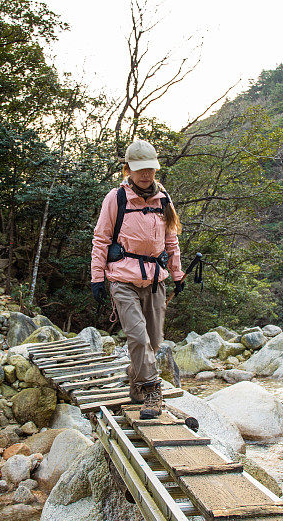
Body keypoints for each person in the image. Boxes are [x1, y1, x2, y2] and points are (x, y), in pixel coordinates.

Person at [90, 139, 184, 419]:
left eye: (150, 169)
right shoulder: (116, 198)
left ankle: (135, 375)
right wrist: (97, 278)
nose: (145, 175)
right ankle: (152, 391)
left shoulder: (163, 200)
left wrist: (177, 274)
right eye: (139, 169)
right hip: (123, 280)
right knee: (138, 338)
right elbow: (101, 239)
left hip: (155, 281)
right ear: (128, 169)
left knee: (153, 341)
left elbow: (171, 241)